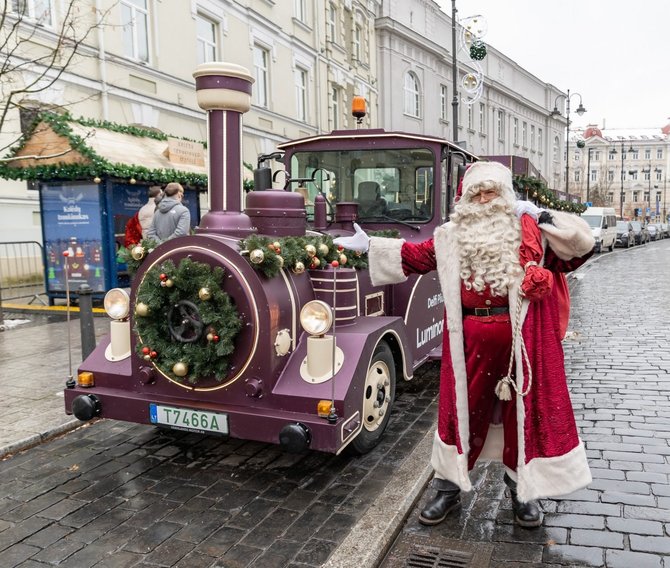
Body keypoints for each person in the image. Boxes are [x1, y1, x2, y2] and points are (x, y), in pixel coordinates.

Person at [334, 161, 594, 528]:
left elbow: (581, 249)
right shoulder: (451, 235)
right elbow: (415, 256)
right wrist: (369, 246)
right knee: (462, 414)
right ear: (466, 200)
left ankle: (522, 491)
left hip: (523, 342)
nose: (485, 200)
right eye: (478, 194)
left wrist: (542, 215)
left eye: (492, 193)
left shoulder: (530, 232)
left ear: (507, 198)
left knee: (521, 418)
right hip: (470, 339)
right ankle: (447, 487)